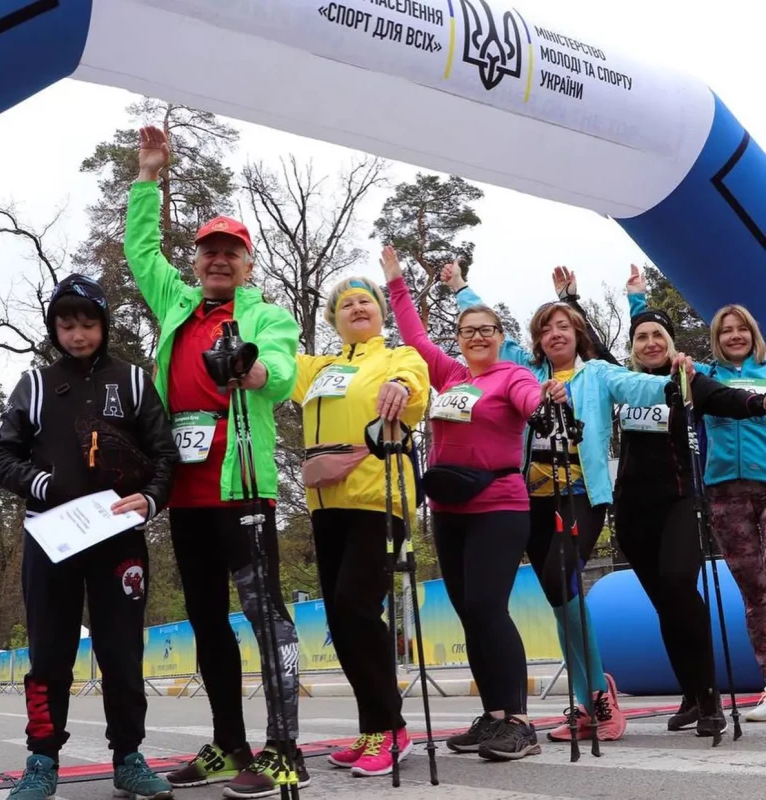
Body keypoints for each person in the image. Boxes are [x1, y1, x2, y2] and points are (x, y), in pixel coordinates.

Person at [124, 126, 305, 798]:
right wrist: (148, 178)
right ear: (196, 263)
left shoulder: (266, 316)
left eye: (230, 252)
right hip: (187, 492)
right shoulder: (178, 303)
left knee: (266, 618)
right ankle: (230, 744)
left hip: (245, 489)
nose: (218, 261)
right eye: (208, 253)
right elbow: (142, 253)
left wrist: (252, 371)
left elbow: (283, 372)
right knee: (206, 622)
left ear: (248, 263)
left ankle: (284, 749)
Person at [442, 260, 674, 742]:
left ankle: (596, 697)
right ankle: (590, 693)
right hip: (530, 500)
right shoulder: (524, 373)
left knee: (559, 579)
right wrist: (461, 288)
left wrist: (681, 380)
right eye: (545, 329)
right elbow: (489, 335)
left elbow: (643, 383)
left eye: (563, 326)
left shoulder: (598, 375)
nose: (554, 334)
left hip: (581, 496)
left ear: (577, 333)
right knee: (558, 596)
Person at [0, 274, 179, 800]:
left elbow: (165, 457)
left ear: (104, 325)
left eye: (87, 323)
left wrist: (152, 499)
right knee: (49, 654)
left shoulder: (136, 382)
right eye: (66, 324)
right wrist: (41, 483)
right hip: (52, 540)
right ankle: (42, 759)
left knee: (121, 653)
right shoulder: (35, 383)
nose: (77, 334)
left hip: (119, 539)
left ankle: (129, 756)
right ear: (55, 328)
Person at [380, 247, 569, 761]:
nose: (478, 336)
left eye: (487, 329)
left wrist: (547, 399)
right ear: (460, 339)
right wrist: (396, 282)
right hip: (448, 511)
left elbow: (533, 402)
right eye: (469, 330)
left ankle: (520, 722)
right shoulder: (450, 377)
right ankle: (493, 716)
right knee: (470, 614)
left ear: (501, 337)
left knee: (488, 607)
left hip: (499, 505)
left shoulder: (512, 376)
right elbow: (416, 338)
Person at [291, 273, 430, 777]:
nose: (356, 308)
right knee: (341, 617)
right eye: (345, 304)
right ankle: (372, 727)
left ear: (380, 313)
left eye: (365, 301)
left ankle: (393, 728)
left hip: (379, 497)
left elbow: (416, 387)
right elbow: (277, 356)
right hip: (325, 503)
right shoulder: (319, 367)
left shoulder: (396, 356)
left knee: (356, 604)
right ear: (333, 319)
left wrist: (399, 385)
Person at [627, 266, 766, 724]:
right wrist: (637, 304)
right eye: (724, 330)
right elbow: (655, 348)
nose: (733, 336)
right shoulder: (700, 373)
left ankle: (712, 696)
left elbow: (660, 348)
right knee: (755, 592)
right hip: (724, 492)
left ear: (752, 333)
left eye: (740, 328)